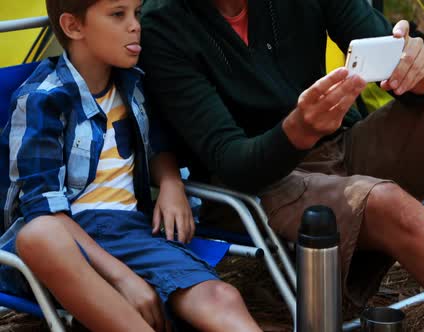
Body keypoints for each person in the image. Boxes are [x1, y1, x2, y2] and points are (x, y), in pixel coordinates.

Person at [139, 0, 424, 330]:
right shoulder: (163, 24)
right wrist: (299, 129)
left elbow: (391, 53)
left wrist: (419, 67)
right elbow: (231, 161)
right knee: (386, 201)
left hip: (343, 142)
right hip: (264, 184)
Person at [0, 0, 262, 331]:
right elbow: (42, 207)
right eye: (117, 14)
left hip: (132, 230)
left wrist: (169, 183)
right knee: (39, 233)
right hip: (67, 240)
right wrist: (124, 278)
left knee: (221, 297)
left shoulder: (135, 85)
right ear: (73, 27)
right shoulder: (42, 99)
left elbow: (159, 144)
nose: (136, 25)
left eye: (137, 13)